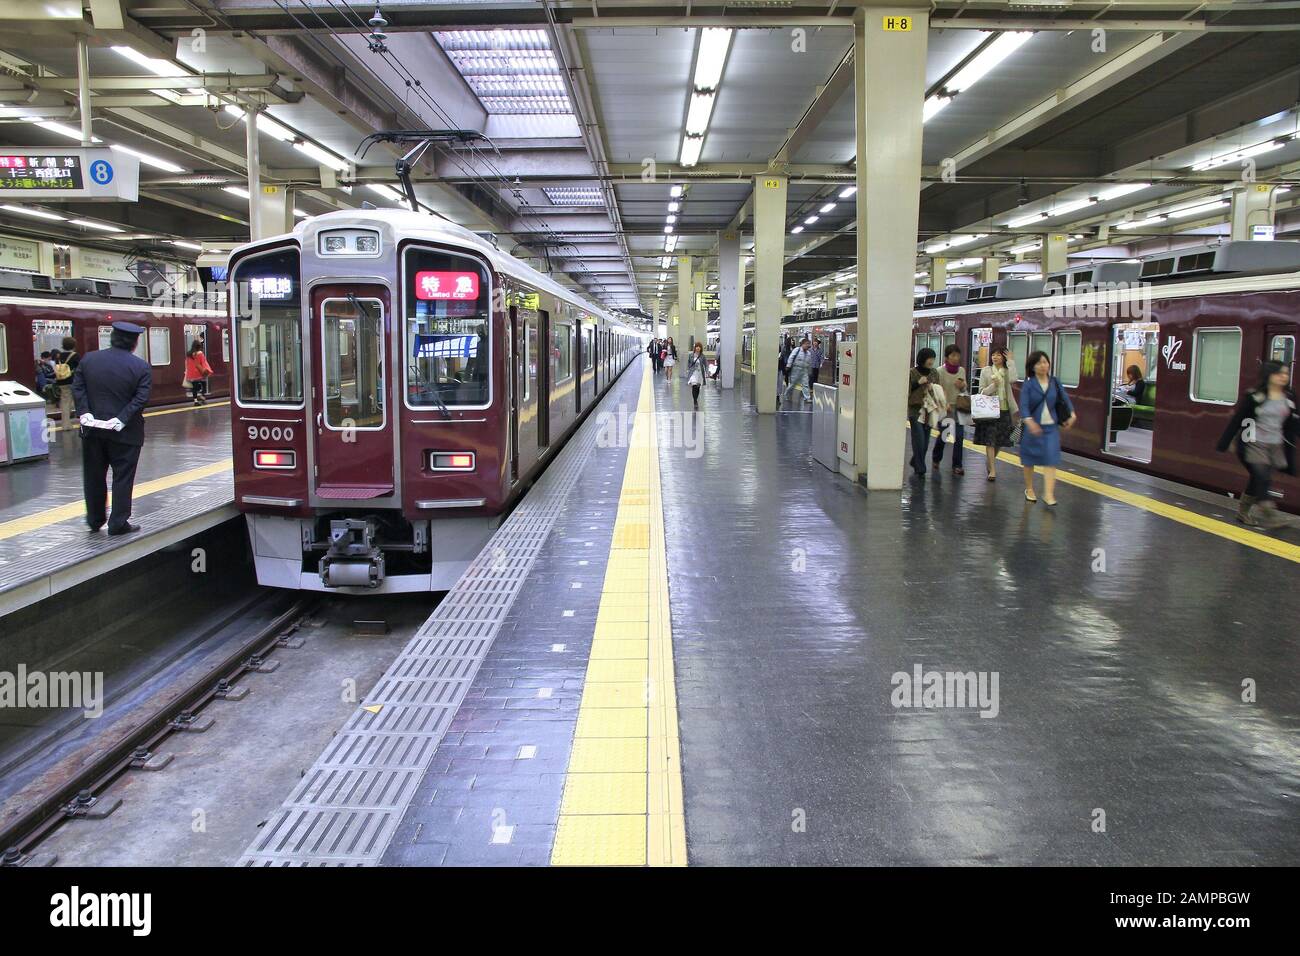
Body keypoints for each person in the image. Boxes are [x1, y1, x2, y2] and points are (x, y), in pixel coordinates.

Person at [72, 320, 152, 535]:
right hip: (126, 434)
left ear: (112, 338)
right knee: (122, 477)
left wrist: (85, 413)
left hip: (92, 431)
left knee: (94, 476)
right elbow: (140, 399)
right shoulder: (140, 367)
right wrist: (121, 419)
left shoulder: (89, 360)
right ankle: (118, 523)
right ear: (134, 343)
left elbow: (78, 388)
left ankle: (94, 520)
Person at [1217, 359, 1297, 528]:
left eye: (1286, 373)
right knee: (1262, 475)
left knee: (1257, 478)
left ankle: (1243, 512)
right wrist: (1224, 443)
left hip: (1274, 446)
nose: (1284, 377)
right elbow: (1237, 420)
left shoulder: (1289, 397)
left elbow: (1293, 423)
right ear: (1269, 375)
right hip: (1252, 444)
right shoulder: (1255, 396)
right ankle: (1268, 511)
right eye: (1280, 373)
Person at [1018, 350, 1076, 505]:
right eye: (1039, 363)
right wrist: (1029, 422)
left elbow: (1065, 399)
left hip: (1051, 428)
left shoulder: (1055, 382)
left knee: (1051, 459)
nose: (1043, 365)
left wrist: (1072, 413)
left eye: (1045, 362)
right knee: (1029, 460)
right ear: (1033, 366)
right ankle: (1029, 488)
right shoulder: (1029, 385)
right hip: (1033, 429)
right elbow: (1023, 406)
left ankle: (1048, 494)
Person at [974, 346, 1017, 481]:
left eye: (998, 355)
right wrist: (993, 385)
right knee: (990, 441)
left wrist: (1011, 361)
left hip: (1004, 410)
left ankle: (990, 461)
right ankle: (992, 470)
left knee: (1000, 441)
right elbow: (981, 391)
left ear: (1003, 357)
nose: (995, 357)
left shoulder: (1007, 371)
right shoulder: (986, 371)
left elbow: (1013, 379)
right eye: (993, 355)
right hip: (990, 410)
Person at [930, 345, 968, 476]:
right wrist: (944, 403)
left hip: (959, 408)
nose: (956, 358)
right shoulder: (939, 371)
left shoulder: (961, 370)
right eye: (953, 356)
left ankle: (957, 465)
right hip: (945, 408)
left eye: (958, 355)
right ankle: (936, 457)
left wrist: (962, 386)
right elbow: (937, 390)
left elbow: (964, 389)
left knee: (959, 436)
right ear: (947, 357)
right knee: (945, 435)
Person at [908, 348, 937, 476]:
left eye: (933, 358)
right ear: (922, 359)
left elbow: (938, 390)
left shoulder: (935, 373)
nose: (931, 361)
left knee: (925, 442)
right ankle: (920, 468)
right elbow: (907, 390)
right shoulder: (912, 373)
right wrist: (917, 383)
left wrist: (933, 388)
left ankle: (916, 460)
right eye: (929, 358)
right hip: (916, 410)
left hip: (929, 411)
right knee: (918, 439)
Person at [54, 335, 80, 431]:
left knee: (65, 402)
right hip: (73, 381)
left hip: (61, 381)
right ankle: (83, 421)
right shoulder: (75, 355)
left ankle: (65, 424)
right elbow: (80, 368)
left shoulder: (59, 356)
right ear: (73, 345)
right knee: (79, 400)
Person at [783, 338, 815, 405]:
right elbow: (791, 357)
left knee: (805, 384)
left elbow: (809, 362)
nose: (808, 346)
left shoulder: (808, 353)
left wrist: (810, 371)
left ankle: (807, 398)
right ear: (802, 344)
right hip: (796, 369)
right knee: (793, 384)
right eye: (807, 344)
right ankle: (786, 395)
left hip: (804, 370)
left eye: (809, 344)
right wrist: (788, 366)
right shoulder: (797, 350)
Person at [185, 340, 214, 406]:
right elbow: (204, 363)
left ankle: (195, 401)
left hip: (191, 374)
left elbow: (188, 364)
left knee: (194, 388)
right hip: (199, 373)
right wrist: (208, 370)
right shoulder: (200, 353)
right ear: (199, 346)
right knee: (204, 384)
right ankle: (202, 395)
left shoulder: (188, 354)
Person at [687, 342, 708, 410]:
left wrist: (707, 371)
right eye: (697, 346)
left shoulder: (702, 356)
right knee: (694, 386)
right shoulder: (691, 355)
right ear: (695, 348)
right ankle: (695, 401)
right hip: (693, 373)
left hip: (700, 374)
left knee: (698, 388)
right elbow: (689, 363)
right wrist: (688, 369)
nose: (698, 348)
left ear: (701, 348)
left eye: (699, 347)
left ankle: (696, 399)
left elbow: (706, 364)